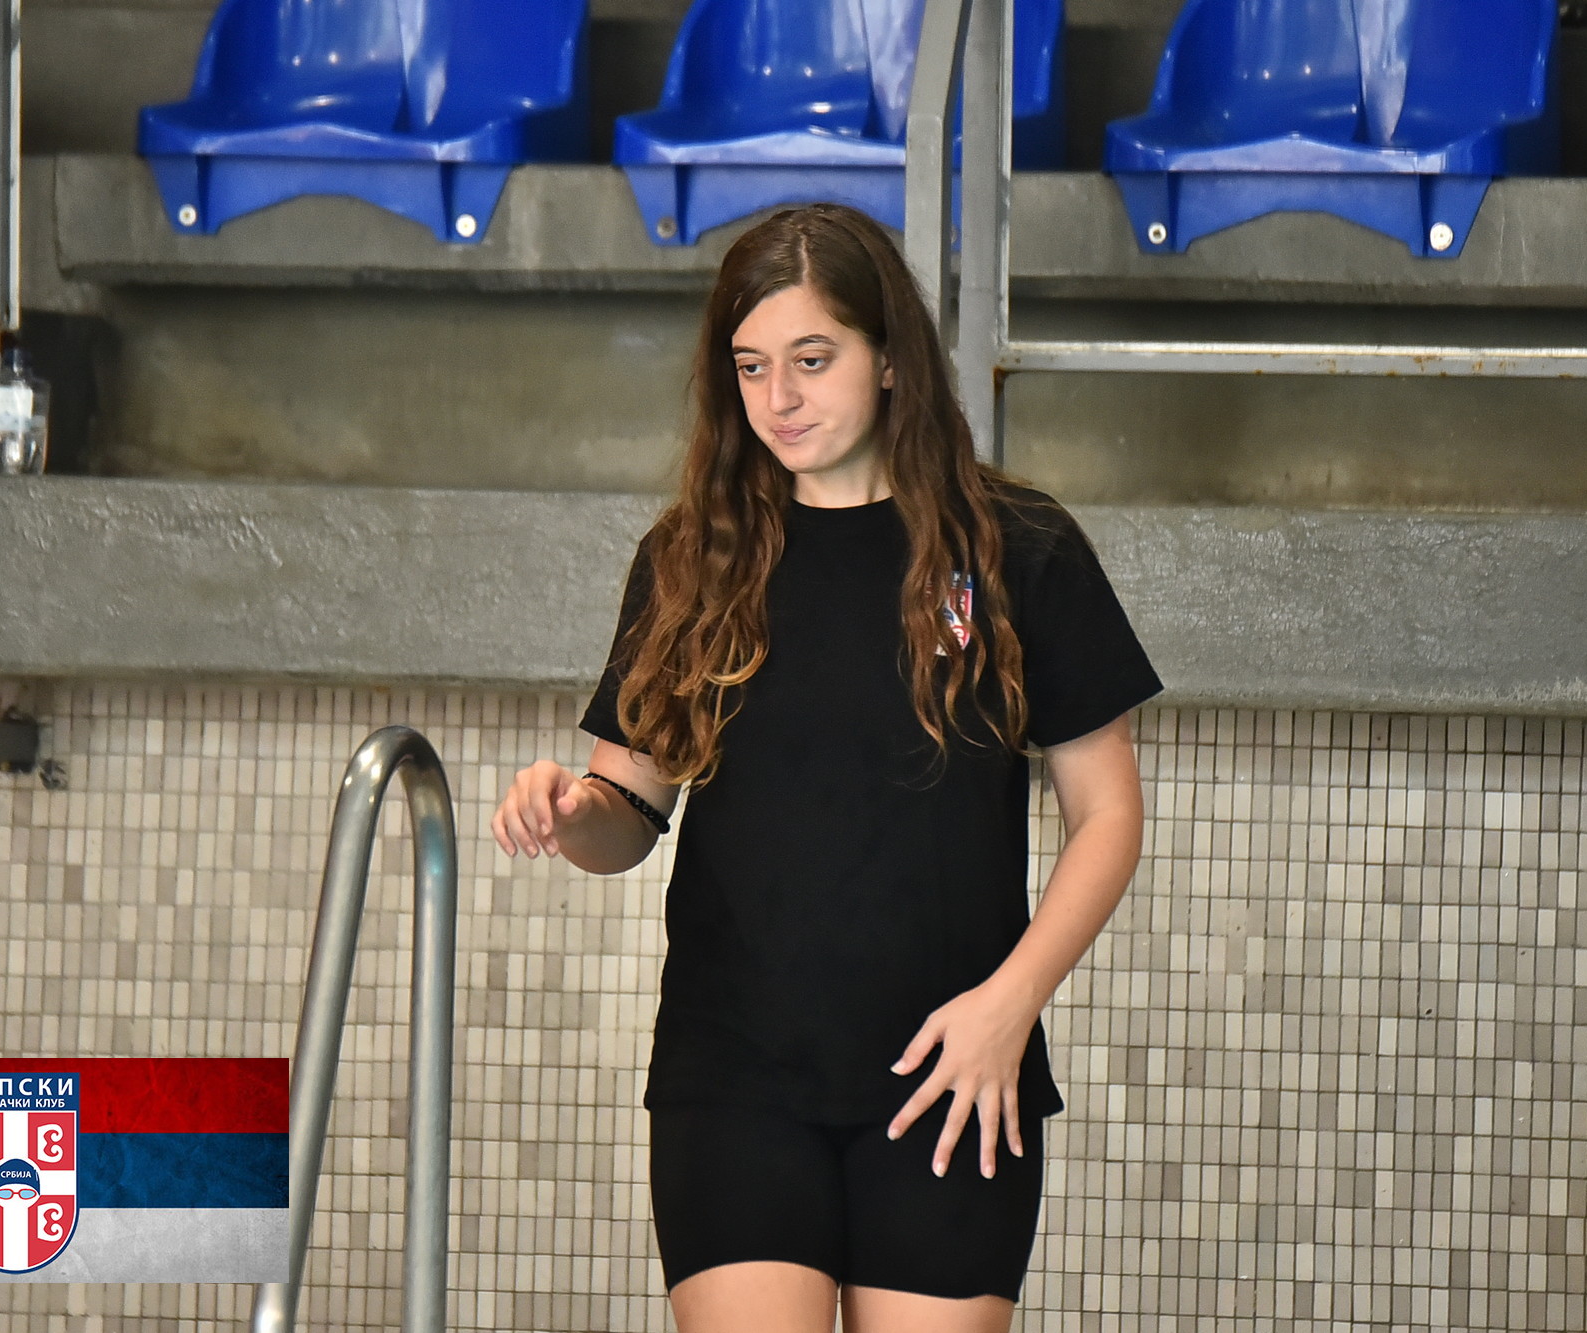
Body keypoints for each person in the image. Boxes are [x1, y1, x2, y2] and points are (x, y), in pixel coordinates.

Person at [491, 203, 1161, 1333]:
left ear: (890, 358)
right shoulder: (694, 559)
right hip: (733, 1078)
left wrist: (1008, 1007)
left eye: (812, 359)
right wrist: (569, 810)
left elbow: (1108, 817)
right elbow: (627, 813)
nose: (779, 398)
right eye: (751, 366)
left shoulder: (1015, 548)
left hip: (951, 1073)